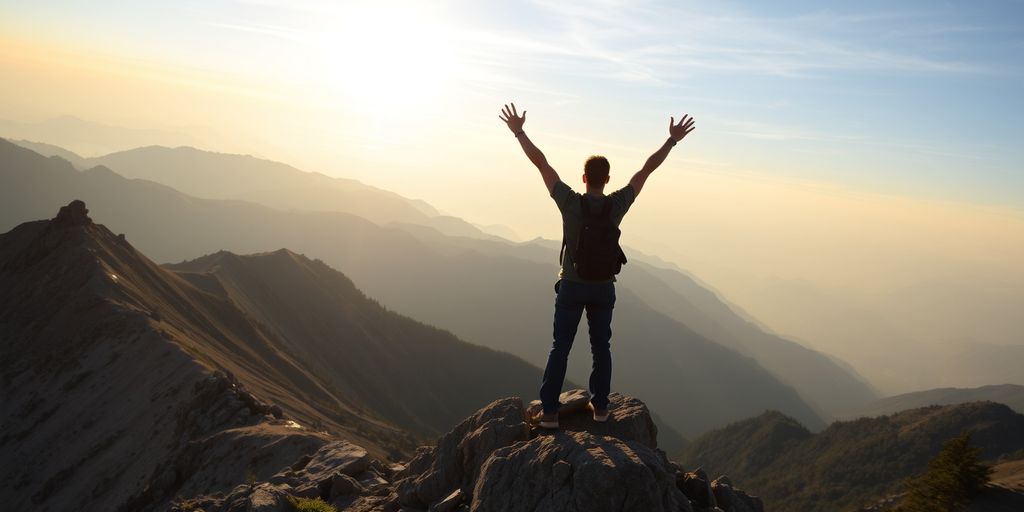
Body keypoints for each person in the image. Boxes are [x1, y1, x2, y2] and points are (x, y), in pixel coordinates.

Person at [499, 102, 695, 428]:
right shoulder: (617, 204)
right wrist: (671, 141)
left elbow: (542, 164)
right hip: (603, 288)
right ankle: (600, 408)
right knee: (600, 347)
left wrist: (519, 131)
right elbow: (645, 171)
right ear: (607, 179)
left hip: (572, 286)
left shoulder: (569, 202)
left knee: (559, 347)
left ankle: (549, 414)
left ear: (584, 177)